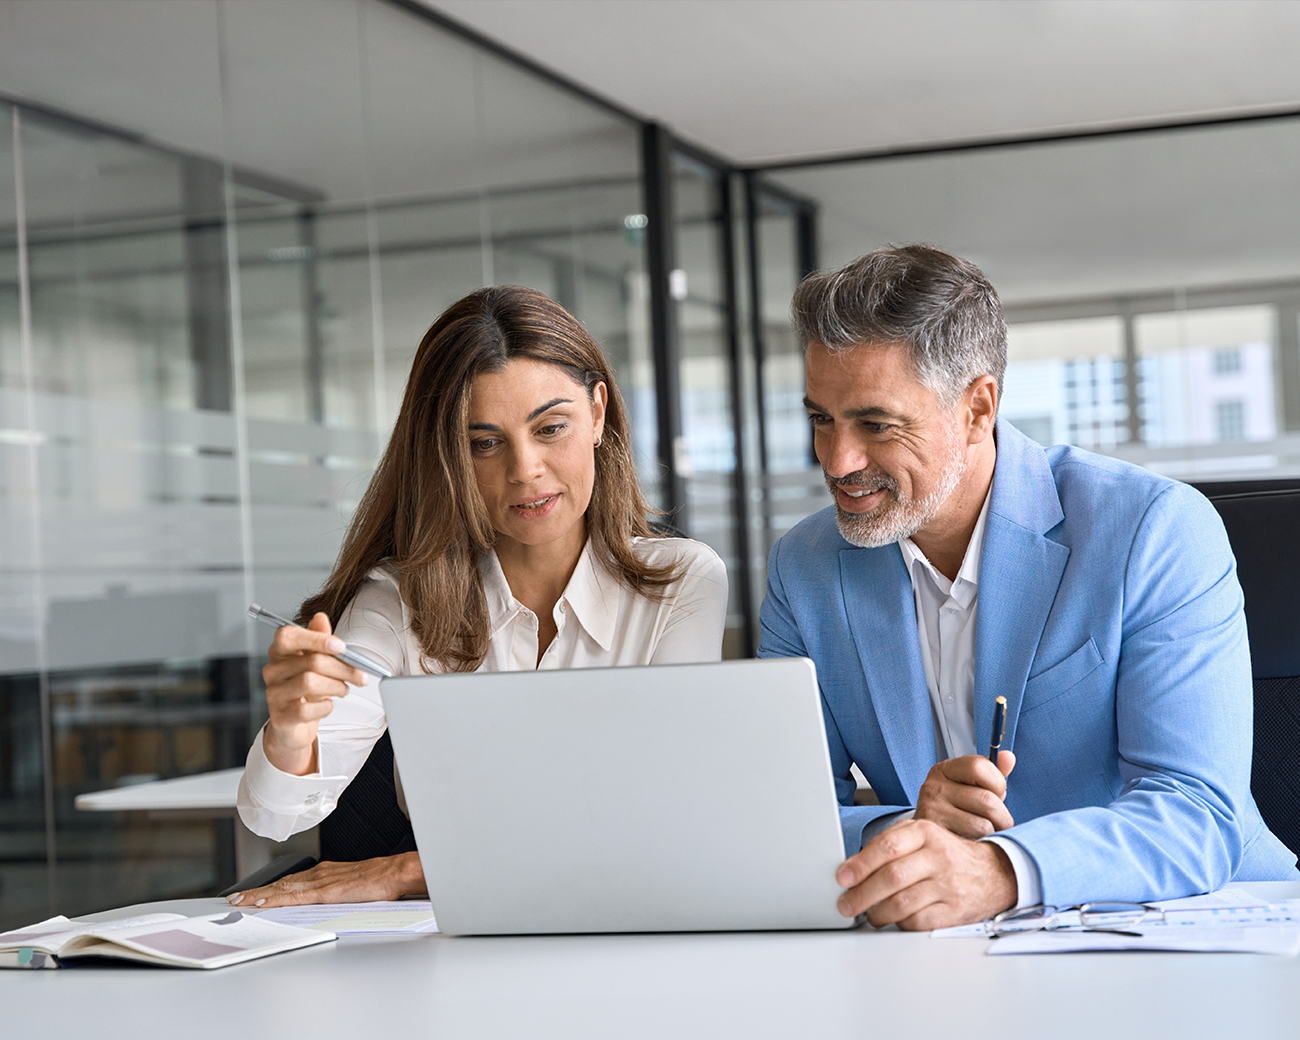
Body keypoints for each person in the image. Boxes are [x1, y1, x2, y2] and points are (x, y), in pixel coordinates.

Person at [759, 245, 1299, 931]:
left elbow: (1196, 813)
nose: (839, 461)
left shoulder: (1153, 529)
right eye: (820, 420)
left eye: (876, 424)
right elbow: (781, 819)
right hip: (945, 955)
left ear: (978, 408)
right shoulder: (803, 568)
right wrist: (909, 835)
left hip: (1200, 929)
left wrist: (1000, 869)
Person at [231, 286, 728, 907]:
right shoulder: (399, 599)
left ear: (598, 413)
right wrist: (290, 732)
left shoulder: (682, 583)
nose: (525, 470)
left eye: (551, 428)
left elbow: (657, 821)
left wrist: (413, 870)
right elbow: (274, 818)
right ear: (448, 455)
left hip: (619, 925)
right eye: (483, 443)